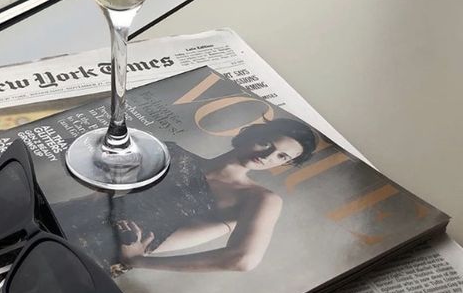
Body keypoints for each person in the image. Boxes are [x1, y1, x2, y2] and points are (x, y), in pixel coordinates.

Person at [53, 117, 316, 276]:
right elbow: (80, 156)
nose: (268, 156)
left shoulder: (259, 199)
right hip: (62, 216)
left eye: (282, 156)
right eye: (267, 143)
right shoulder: (171, 152)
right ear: (254, 134)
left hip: (94, 256)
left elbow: (242, 259)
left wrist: (138, 261)